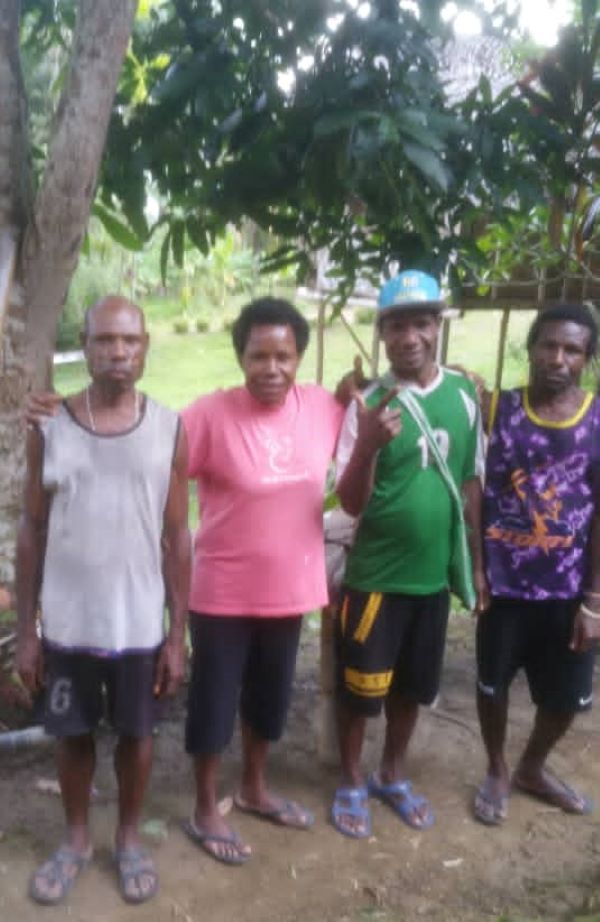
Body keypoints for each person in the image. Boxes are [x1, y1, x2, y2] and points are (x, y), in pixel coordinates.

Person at [15, 296, 190, 904]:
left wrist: (176, 634)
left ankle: (129, 839)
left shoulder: (169, 426)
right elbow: (32, 528)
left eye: (130, 341)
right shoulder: (50, 425)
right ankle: (76, 838)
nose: (119, 352)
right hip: (67, 624)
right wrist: (29, 632)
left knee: (138, 735)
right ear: (84, 347)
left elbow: (177, 535)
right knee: (72, 734)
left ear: (145, 347)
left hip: (139, 623)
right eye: (104, 341)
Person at [180, 297, 345, 864]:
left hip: (291, 589)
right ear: (240, 357)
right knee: (214, 701)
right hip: (221, 592)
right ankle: (205, 806)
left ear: (299, 357)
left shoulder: (324, 407)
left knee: (270, 698)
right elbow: (164, 466)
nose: (271, 368)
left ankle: (253, 788)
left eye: (284, 355)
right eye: (259, 356)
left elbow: (367, 418)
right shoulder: (208, 415)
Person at [331, 269, 486, 838]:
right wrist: (369, 443)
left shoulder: (465, 395)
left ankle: (390, 775)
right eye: (397, 326)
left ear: (437, 326)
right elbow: (349, 503)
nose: (410, 337)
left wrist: (476, 562)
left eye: (421, 323)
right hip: (375, 578)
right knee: (360, 690)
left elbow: (470, 482)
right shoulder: (366, 403)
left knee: (412, 689)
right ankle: (351, 779)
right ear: (382, 333)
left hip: (431, 580)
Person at [474, 302, 600, 826]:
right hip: (502, 587)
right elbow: (474, 493)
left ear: (587, 358)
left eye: (572, 349)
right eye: (548, 345)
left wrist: (595, 600)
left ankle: (532, 766)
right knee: (492, 686)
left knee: (566, 697)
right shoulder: (496, 409)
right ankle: (499, 767)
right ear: (530, 350)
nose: (558, 358)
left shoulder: (597, 417)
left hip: (569, 590)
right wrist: (477, 570)